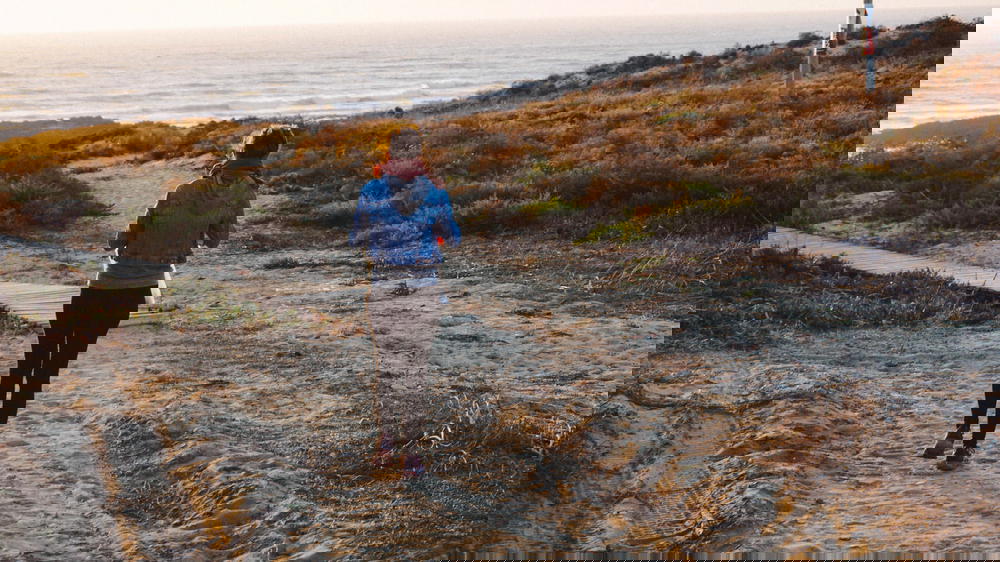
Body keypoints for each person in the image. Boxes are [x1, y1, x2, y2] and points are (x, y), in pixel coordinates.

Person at [350, 154, 460, 476]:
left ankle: (390, 445)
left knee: (390, 369)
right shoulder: (432, 193)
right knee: (411, 369)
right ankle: (407, 453)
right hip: (419, 285)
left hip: (390, 286)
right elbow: (451, 236)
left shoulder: (372, 192)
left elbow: (358, 238)